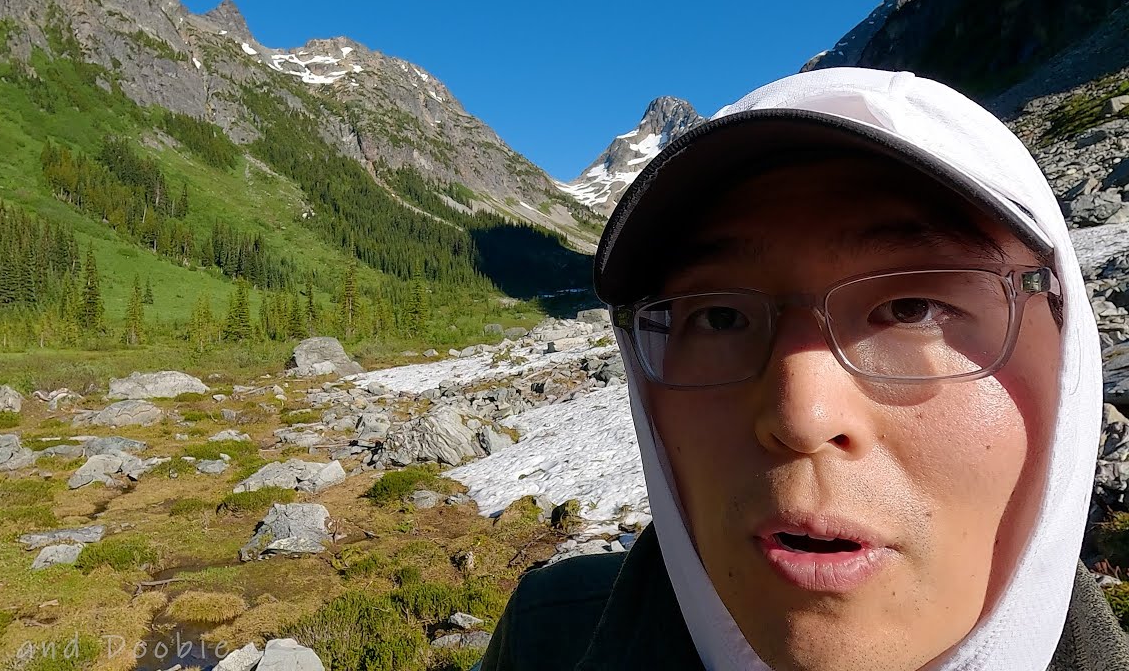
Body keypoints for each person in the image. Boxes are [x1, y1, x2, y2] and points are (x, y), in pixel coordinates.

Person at [475, 68, 1129, 670]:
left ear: (1065, 353)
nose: (801, 416)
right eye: (720, 317)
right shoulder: (543, 636)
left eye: (911, 309)